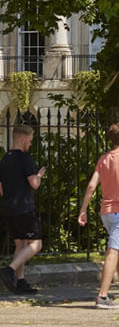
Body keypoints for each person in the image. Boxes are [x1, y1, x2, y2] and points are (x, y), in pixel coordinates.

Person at [76, 122, 119, 308]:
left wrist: (83, 209)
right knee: (114, 251)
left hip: (106, 213)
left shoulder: (104, 159)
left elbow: (91, 186)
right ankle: (102, 295)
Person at [0, 124, 46, 294]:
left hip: (9, 208)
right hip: (24, 208)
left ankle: (20, 282)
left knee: (21, 244)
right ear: (22, 139)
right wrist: (39, 176)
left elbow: (1, 189)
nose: (30, 144)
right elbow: (34, 184)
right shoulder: (25, 158)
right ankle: (9, 270)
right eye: (30, 140)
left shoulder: (4, 160)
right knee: (36, 244)